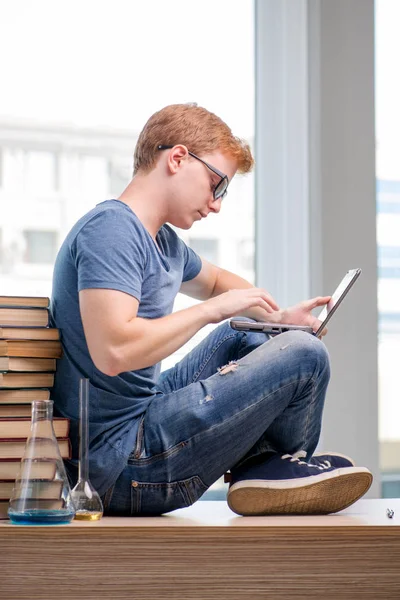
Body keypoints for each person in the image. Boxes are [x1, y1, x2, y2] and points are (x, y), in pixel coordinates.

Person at [51, 103, 372, 517]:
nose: (216, 203)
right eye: (217, 184)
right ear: (178, 158)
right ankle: (269, 469)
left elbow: (219, 281)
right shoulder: (111, 230)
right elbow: (114, 352)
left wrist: (275, 319)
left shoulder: (162, 242)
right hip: (116, 464)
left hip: (140, 417)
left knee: (256, 335)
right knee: (306, 356)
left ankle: (266, 467)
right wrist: (214, 310)